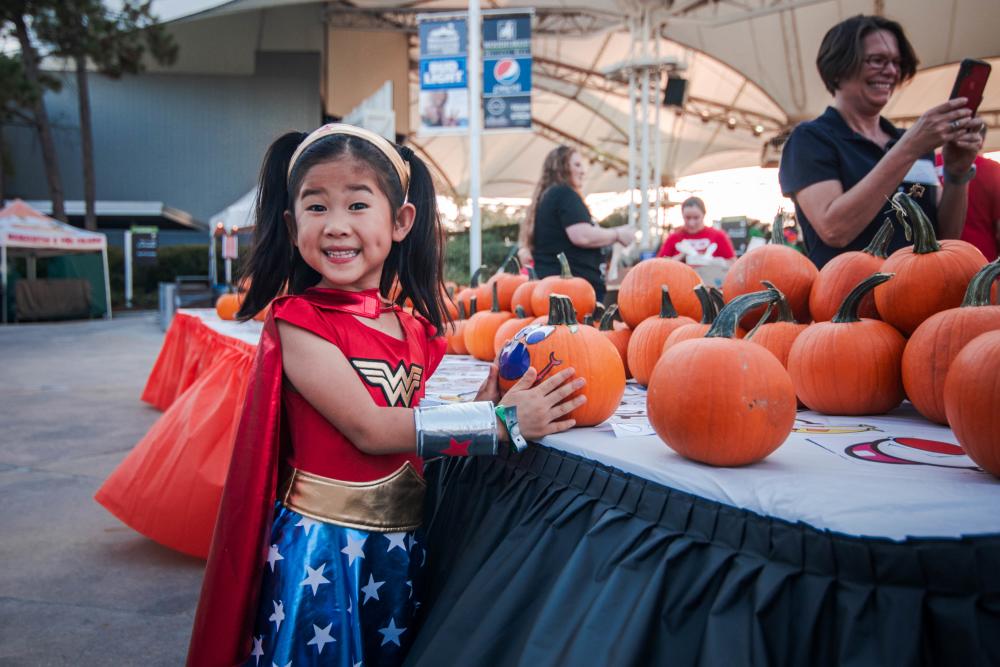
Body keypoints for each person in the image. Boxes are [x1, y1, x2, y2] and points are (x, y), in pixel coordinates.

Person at [185, 124, 585, 667]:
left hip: (397, 548)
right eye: (316, 207)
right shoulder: (299, 322)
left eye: (356, 205)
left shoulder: (415, 328)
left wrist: (483, 400)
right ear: (290, 223)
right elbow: (371, 429)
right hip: (324, 554)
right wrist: (497, 423)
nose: (336, 226)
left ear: (400, 222)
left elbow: (416, 430)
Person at [778, 14, 985, 269]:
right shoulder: (810, 139)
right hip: (848, 300)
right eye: (877, 61)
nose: (891, 71)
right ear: (839, 66)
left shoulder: (910, 140)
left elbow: (946, 238)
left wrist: (957, 173)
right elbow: (835, 229)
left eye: (896, 63)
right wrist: (908, 148)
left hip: (922, 296)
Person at [517, 145, 632, 301]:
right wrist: (617, 234)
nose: (583, 171)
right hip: (571, 292)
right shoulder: (564, 193)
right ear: (561, 167)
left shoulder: (550, 195)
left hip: (558, 287)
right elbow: (582, 235)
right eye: (577, 165)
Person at [935, 144, 1000, 261]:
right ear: (981, 140)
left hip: (935, 262)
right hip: (982, 262)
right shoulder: (994, 169)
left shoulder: (931, 165)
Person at [655, 196, 736, 263]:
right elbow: (659, 264)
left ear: (704, 215)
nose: (691, 223)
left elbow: (733, 263)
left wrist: (714, 262)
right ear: (682, 215)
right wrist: (680, 257)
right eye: (687, 218)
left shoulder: (718, 236)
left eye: (696, 218)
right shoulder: (674, 237)